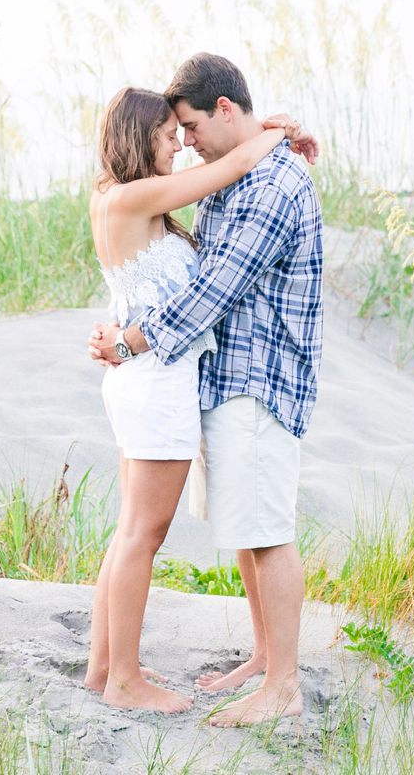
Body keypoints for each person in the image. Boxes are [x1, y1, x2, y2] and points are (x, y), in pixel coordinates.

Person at [88, 52, 323, 727]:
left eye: (186, 128)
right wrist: (271, 130)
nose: (183, 143)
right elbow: (219, 175)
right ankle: (132, 671)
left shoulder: (269, 183)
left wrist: (131, 337)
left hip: (250, 379)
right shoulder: (180, 186)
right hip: (178, 380)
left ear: (223, 110)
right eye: (171, 135)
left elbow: (213, 290)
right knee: (174, 530)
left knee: (260, 530)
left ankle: (277, 680)